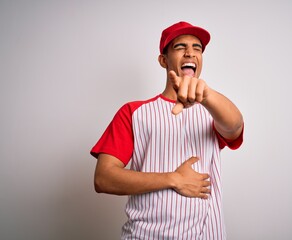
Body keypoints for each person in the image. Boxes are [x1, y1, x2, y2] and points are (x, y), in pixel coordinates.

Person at [91, 21, 244, 239]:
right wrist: (173, 179)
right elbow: (103, 178)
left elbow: (235, 126)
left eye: (197, 48)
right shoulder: (133, 112)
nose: (190, 53)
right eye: (180, 47)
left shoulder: (213, 110)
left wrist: (207, 96)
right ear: (163, 60)